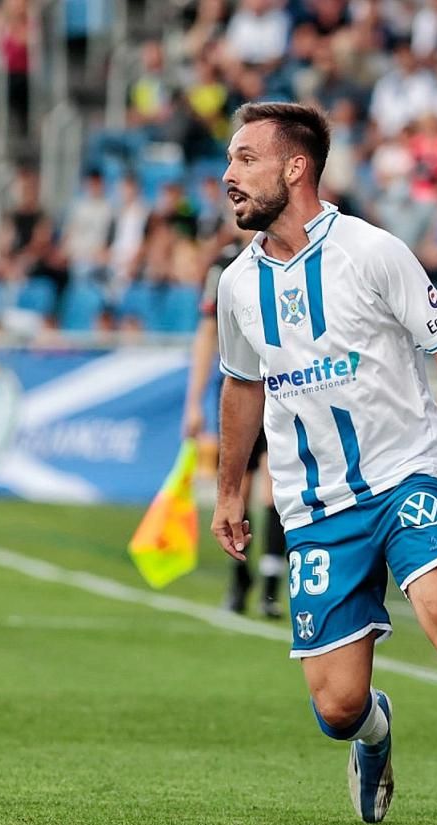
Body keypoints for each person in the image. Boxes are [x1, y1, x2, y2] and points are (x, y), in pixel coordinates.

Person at [210, 102, 437, 825]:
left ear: (296, 167)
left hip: (409, 474)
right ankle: (376, 735)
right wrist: (232, 489)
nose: (228, 175)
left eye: (245, 159)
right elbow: (241, 386)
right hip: (316, 506)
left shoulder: (372, 251)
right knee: (338, 708)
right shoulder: (237, 283)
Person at [183, 224, 286, 618]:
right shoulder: (226, 267)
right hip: (239, 388)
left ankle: (272, 588)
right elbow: (207, 332)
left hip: (282, 387)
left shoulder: (288, 259)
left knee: (274, 485)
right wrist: (193, 402)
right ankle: (240, 577)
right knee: (237, 485)